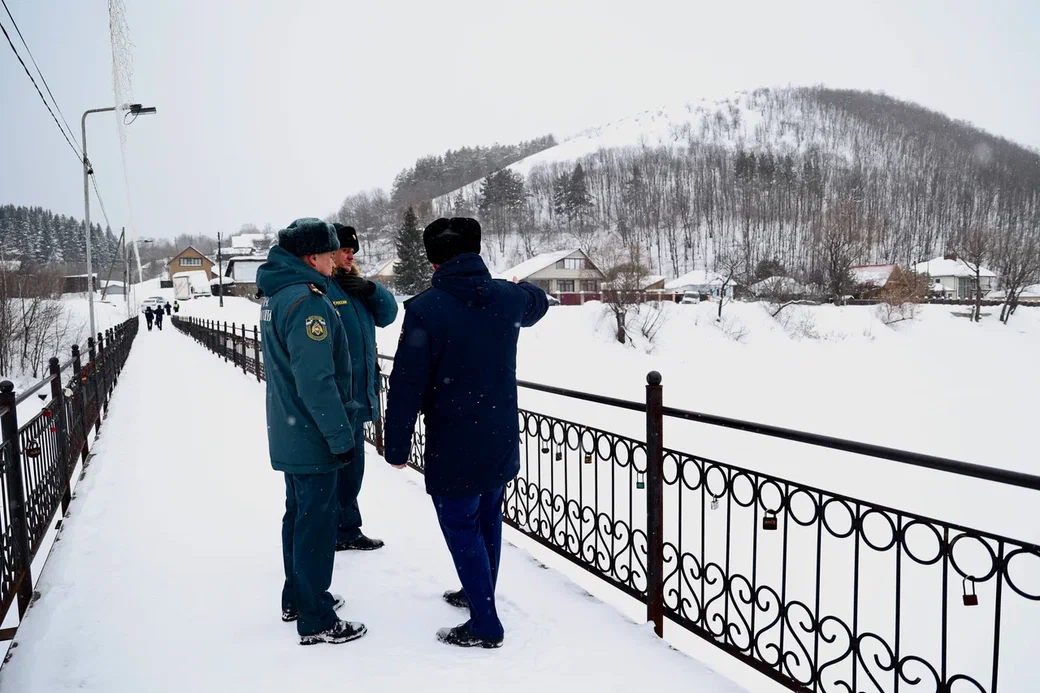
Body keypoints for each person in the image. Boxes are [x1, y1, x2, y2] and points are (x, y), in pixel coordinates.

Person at [383, 217, 548, 648]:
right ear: (477, 250)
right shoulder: (509, 298)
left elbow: (406, 385)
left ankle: (485, 623)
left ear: (433, 261)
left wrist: (396, 444)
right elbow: (540, 301)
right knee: (488, 519)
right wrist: (519, 288)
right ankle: (479, 592)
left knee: (460, 526)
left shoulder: (426, 309)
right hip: (497, 436)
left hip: (454, 443)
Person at [256, 217, 366, 646]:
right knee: (316, 525)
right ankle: (316, 618)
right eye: (331, 252)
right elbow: (316, 381)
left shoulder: (279, 294)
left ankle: (297, 598)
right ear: (312, 257)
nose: (337, 260)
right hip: (312, 434)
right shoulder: (308, 302)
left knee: (298, 517)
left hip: (292, 429)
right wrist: (341, 437)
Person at [326, 223, 399, 552]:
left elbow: (388, 314)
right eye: (344, 249)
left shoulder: (354, 285)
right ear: (328, 252)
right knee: (337, 469)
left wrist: (370, 288)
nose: (350, 254)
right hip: (338, 396)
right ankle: (335, 531)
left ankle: (347, 529)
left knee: (352, 468)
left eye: (352, 249)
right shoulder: (324, 288)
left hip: (358, 394)